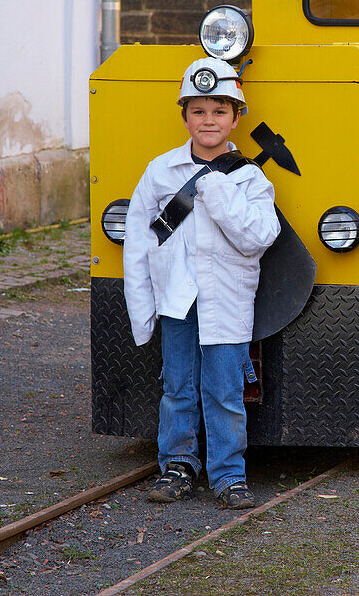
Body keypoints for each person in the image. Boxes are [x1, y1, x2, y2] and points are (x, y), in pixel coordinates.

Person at [122, 56, 280, 510]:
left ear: (234, 118)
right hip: (177, 302)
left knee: (226, 391)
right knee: (177, 387)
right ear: (184, 116)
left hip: (226, 302)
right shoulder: (161, 172)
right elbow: (139, 242)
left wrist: (216, 190)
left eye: (219, 111)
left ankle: (229, 475)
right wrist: (141, 306)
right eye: (198, 111)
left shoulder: (249, 178)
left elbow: (258, 237)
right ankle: (178, 465)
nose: (208, 120)